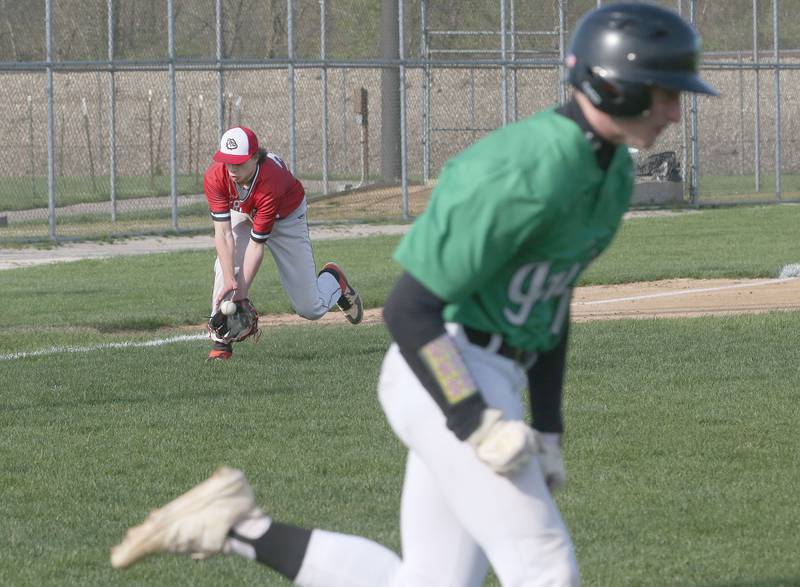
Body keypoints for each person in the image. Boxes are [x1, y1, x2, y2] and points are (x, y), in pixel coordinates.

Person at [111, 3, 717, 585]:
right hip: (445, 371)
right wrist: (472, 417)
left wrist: (550, 425)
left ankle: (238, 528)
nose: (674, 111)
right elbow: (409, 308)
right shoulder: (522, 168)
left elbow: (550, 303)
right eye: (663, 92)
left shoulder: (609, 173)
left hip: (489, 373)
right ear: (614, 87)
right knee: (546, 571)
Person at [203, 126, 363, 361]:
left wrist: (242, 294)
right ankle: (221, 343)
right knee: (224, 269)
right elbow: (223, 235)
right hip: (244, 211)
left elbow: (257, 245)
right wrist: (230, 279)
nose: (232, 169)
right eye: (228, 162)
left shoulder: (271, 182)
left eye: (239, 163)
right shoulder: (216, 176)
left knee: (311, 308)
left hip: (286, 218)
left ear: (255, 158)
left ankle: (333, 280)